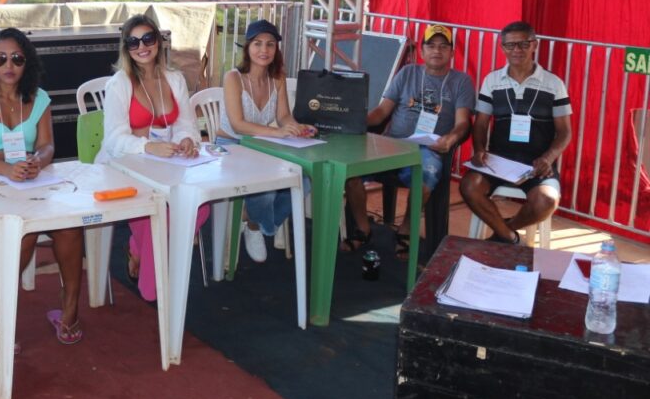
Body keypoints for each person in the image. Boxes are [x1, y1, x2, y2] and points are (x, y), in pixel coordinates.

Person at [0, 28, 84, 344]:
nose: (9, 65)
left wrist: (37, 160)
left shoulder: (39, 98)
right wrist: (7, 168)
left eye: (17, 58)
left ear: (28, 62)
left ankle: (70, 308)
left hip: (31, 184)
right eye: (0, 59)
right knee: (22, 231)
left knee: (70, 227)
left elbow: (47, 145)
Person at [96, 15, 208, 300]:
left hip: (165, 165)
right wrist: (148, 147)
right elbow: (113, 140)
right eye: (133, 42)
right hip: (123, 167)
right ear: (126, 48)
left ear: (158, 41)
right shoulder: (119, 84)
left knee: (201, 205)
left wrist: (187, 139)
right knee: (155, 207)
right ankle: (153, 288)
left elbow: (186, 125)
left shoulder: (174, 79)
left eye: (148, 39)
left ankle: (140, 251)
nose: (142, 47)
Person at [343, 24, 475, 258]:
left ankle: (405, 229)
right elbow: (382, 112)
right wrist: (356, 120)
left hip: (429, 148)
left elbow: (463, 123)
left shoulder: (461, 81)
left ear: (452, 52)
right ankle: (363, 228)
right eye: (431, 46)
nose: (437, 51)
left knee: (427, 173)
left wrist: (451, 138)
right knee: (350, 171)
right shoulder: (408, 73)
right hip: (392, 144)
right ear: (422, 51)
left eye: (443, 46)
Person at [460, 21, 572, 244]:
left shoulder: (554, 83)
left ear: (534, 45)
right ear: (502, 48)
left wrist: (548, 158)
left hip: (536, 163)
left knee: (547, 201)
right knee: (469, 187)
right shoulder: (492, 80)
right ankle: (510, 237)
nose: (517, 50)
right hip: (498, 160)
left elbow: (565, 132)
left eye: (523, 44)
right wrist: (479, 149)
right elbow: (480, 124)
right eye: (510, 45)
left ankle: (502, 233)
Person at [217, 19, 316, 262]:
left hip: (261, 146)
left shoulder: (278, 78)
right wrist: (278, 133)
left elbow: (283, 116)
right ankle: (261, 225)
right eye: (258, 43)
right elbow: (238, 124)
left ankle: (253, 222)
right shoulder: (233, 78)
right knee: (267, 189)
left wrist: (296, 127)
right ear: (248, 48)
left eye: (270, 44)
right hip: (230, 148)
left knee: (304, 179)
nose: (264, 50)